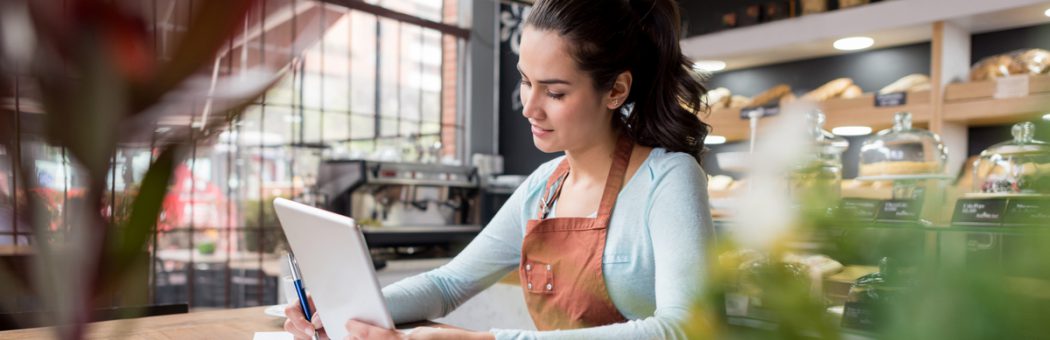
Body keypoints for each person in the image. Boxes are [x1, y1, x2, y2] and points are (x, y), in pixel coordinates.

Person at [285, 0, 713, 338]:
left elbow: (679, 329)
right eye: (526, 80)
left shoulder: (669, 179)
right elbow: (448, 284)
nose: (529, 106)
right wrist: (338, 308)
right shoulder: (543, 189)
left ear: (616, 90)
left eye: (555, 92)